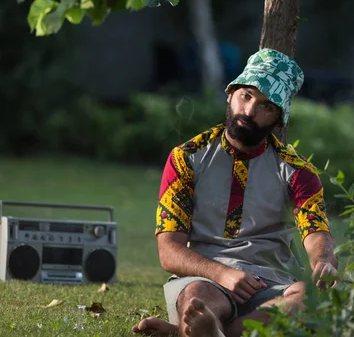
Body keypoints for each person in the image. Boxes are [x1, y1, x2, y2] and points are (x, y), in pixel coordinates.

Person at [133, 49, 338, 337]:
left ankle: (193, 333)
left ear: (279, 119)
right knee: (198, 298)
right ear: (230, 95)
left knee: (310, 299)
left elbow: (316, 232)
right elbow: (169, 251)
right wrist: (223, 274)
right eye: (246, 96)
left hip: (274, 286)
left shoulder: (298, 171)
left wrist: (323, 261)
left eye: (266, 106)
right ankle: (204, 326)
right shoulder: (186, 158)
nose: (250, 111)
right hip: (206, 279)